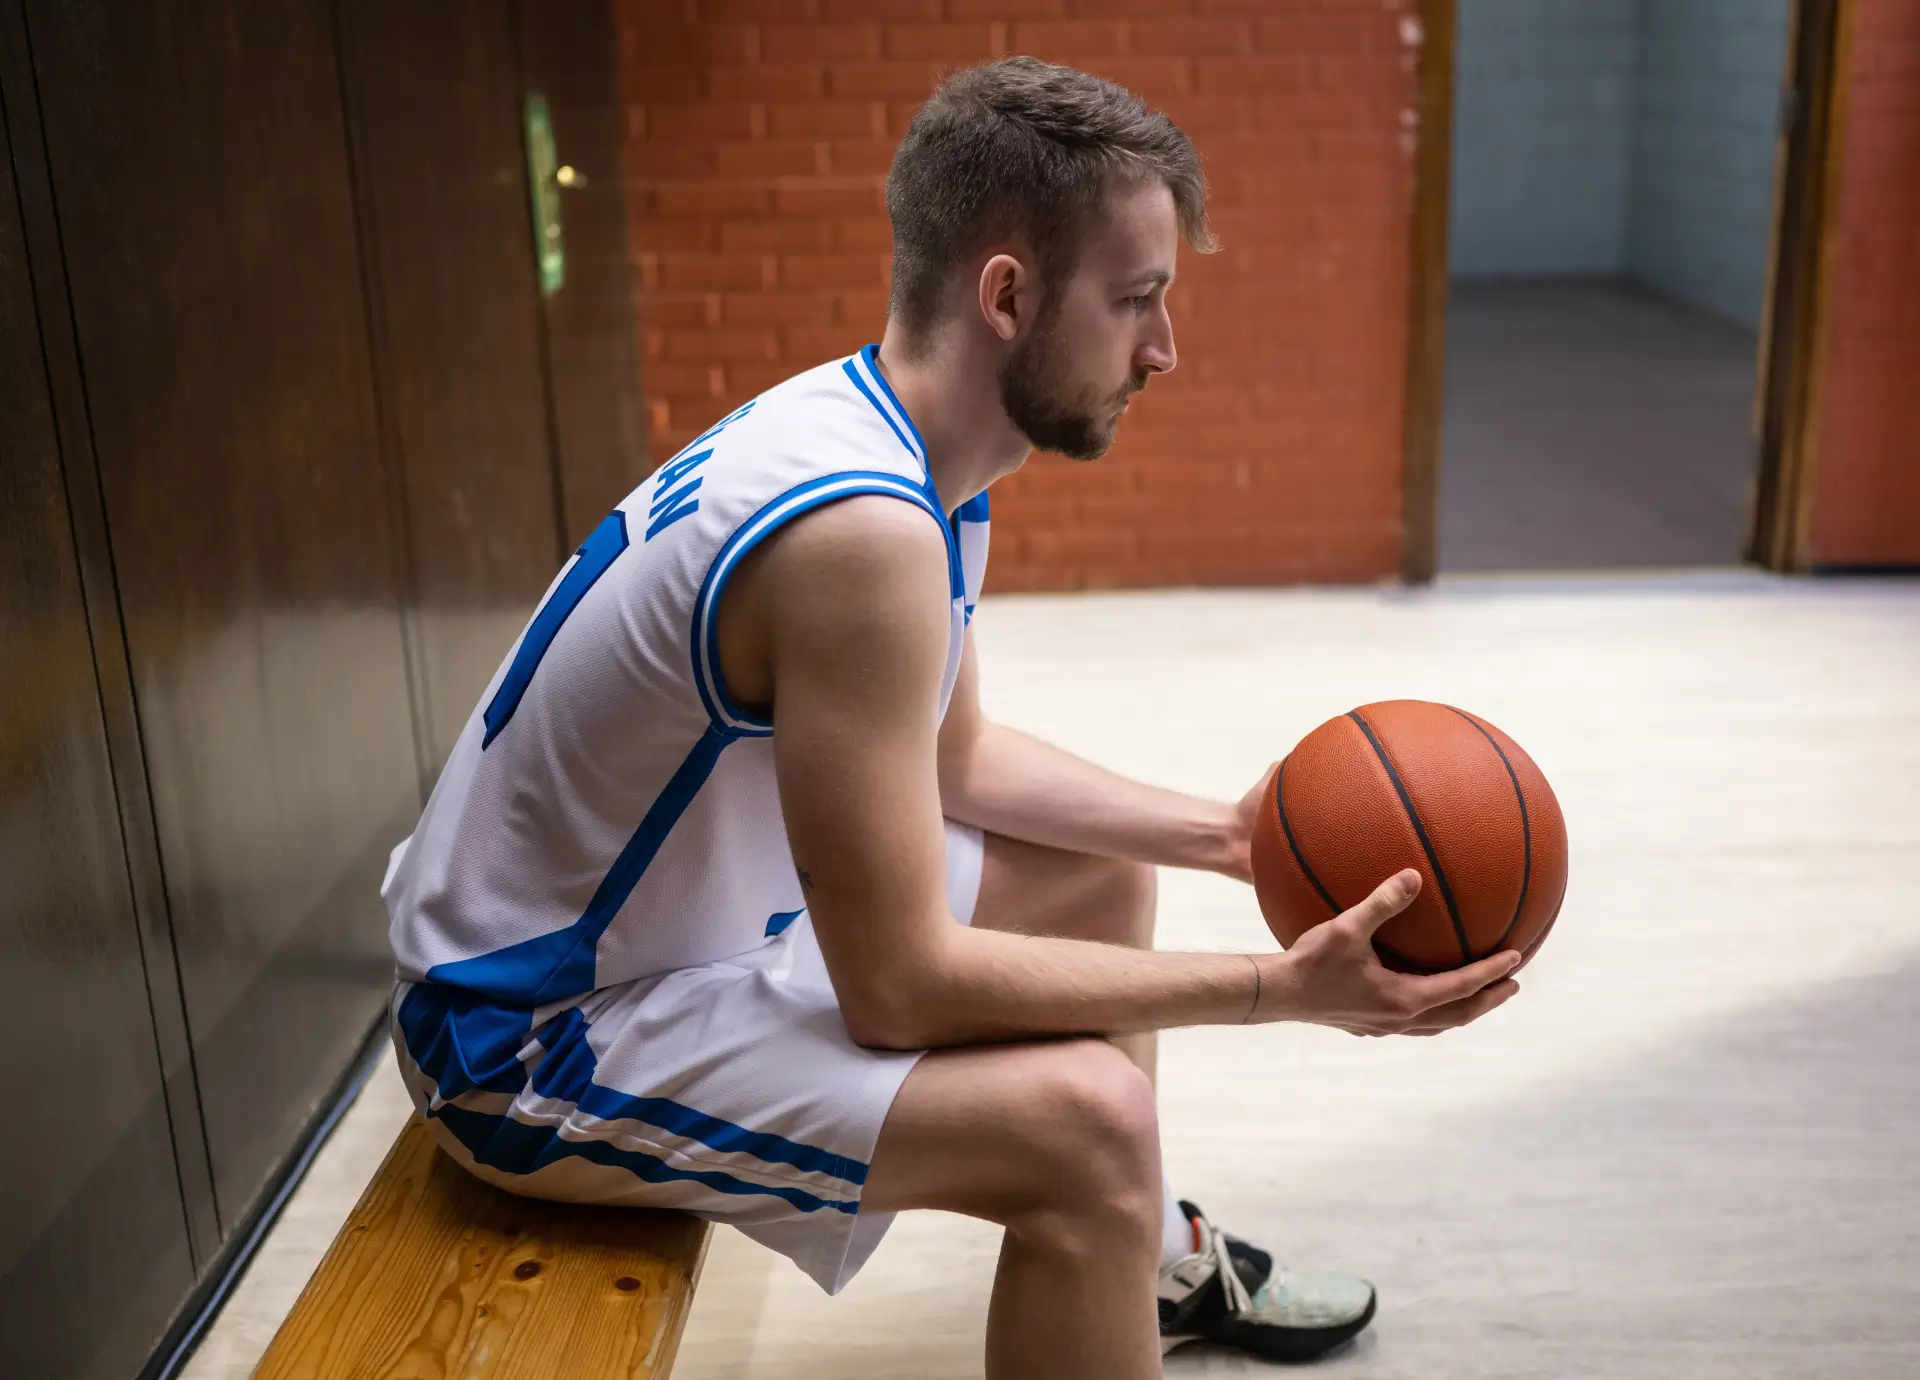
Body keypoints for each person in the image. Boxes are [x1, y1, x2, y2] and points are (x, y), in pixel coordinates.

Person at [382, 57, 1522, 1377]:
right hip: (522, 1038)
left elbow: (954, 758)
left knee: (1097, 879)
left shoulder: (894, 444)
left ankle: (1133, 1263)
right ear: (1008, 296)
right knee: (1091, 1130)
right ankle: (1114, 1217)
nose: (1165, 349)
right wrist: (1283, 990)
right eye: (1138, 302)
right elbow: (902, 988)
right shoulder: (861, 535)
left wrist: (1225, 833)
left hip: (647, 938)